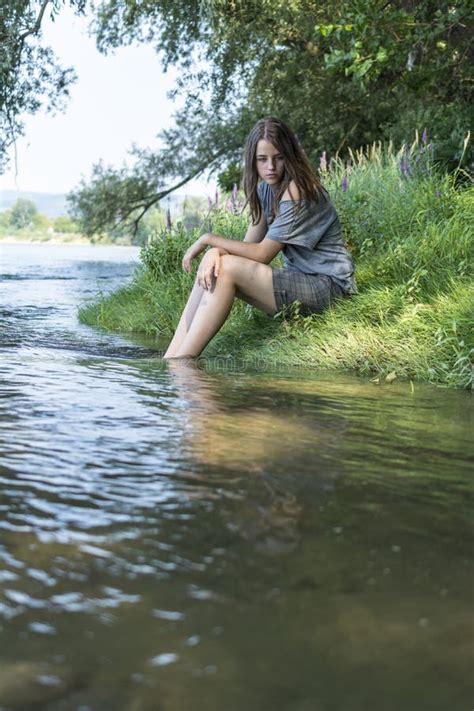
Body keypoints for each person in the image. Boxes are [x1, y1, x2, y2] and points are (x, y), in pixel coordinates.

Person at [163, 116, 357, 360]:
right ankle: (171, 358)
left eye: (278, 158)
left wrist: (209, 240)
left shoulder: (298, 190)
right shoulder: (265, 188)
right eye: (262, 160)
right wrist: (215, 253)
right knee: (218, 265)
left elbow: (262, 254)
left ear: (290, 156)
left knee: (226, 267)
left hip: (330, 288)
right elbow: (249, 246)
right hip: (303, 282)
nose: (270, 167)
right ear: (252, 161)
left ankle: (183, 362)